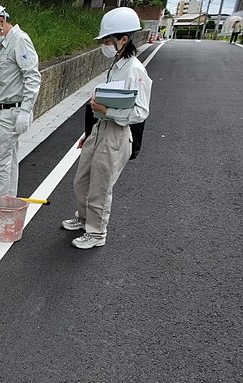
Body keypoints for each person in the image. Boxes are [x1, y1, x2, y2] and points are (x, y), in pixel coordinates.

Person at [62, 7, 152, 249]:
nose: (104, 44)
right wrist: (89, 132)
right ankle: (83, 219)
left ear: (123, 39)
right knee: (81, 181)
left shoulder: (134, 70)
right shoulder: (117, 64)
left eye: (107, 40)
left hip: (116, 134)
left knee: (101, 186)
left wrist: (107, 112)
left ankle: (96, 232)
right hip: (100, 130)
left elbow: (141, 112)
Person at [0, 2, 41, 197]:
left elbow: (32, 76)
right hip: (6, 112)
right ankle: (7, 207)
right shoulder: (6, 45)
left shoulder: (19, 40)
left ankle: (0, 211)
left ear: (1, 21)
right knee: (9, 163)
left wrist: (25, 111)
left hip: (11, 112)